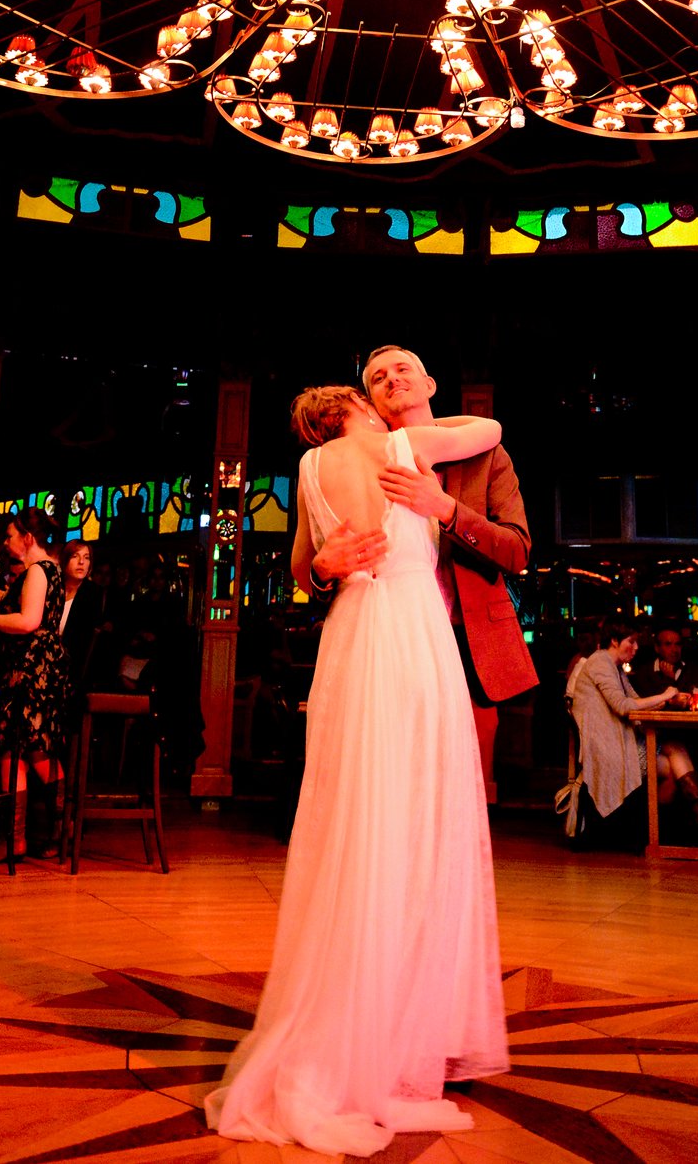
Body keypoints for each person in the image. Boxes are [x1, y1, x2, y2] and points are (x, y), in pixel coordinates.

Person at [206, 384, 509, 1155]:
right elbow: (491, 423)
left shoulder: (308, 467)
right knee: (417, 818)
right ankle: (387, 1039)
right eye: (376, 389)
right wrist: (409, 435)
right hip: (409, 631)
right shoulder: (402, 446)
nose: (389, 396)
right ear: (357, 407)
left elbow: (309, 557)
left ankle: (385, 1018)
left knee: (357, 819)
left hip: (349, 637)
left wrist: (328, 563)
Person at [358, 346, 538, 781]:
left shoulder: (486, 454)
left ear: (429, 385)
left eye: (402, 369)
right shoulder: (364, 462)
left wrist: (446, 509)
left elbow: (516, 551)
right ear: (371, 402)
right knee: (393, 773)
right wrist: (324, 573)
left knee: (466, 778)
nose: (391, 379)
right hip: (390, 636)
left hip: (466, 637)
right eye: (378, 377)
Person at [571, 617, 698, 831]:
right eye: (631, 642)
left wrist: (669, 700)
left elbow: (636, 701)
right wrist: (665, 694)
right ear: (615, 641)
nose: (636, 648)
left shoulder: (614, 667)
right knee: (675, 757)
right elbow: (624, 706)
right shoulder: (600, 662)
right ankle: (685, 820)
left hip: (622, 740)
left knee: (676, 749)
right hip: (608, 747)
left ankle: (693, 817)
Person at [0, 509, 72, 858]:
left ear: (28, 537)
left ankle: (55, 829)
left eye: (9, 535)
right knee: (17, 748)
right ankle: (19, 836)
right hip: (34, 666)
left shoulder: (38, 570)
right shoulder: (47, 570)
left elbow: (28, 621)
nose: (5, 543)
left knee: (32, 748)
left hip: (31, 668)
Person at [58, 538, 104, 687]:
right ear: (64, 560)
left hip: (73, 670)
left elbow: (82, 642)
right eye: (75, 556)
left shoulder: (93, 594)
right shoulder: (53, 588)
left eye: (86, 557)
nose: (81, 562)